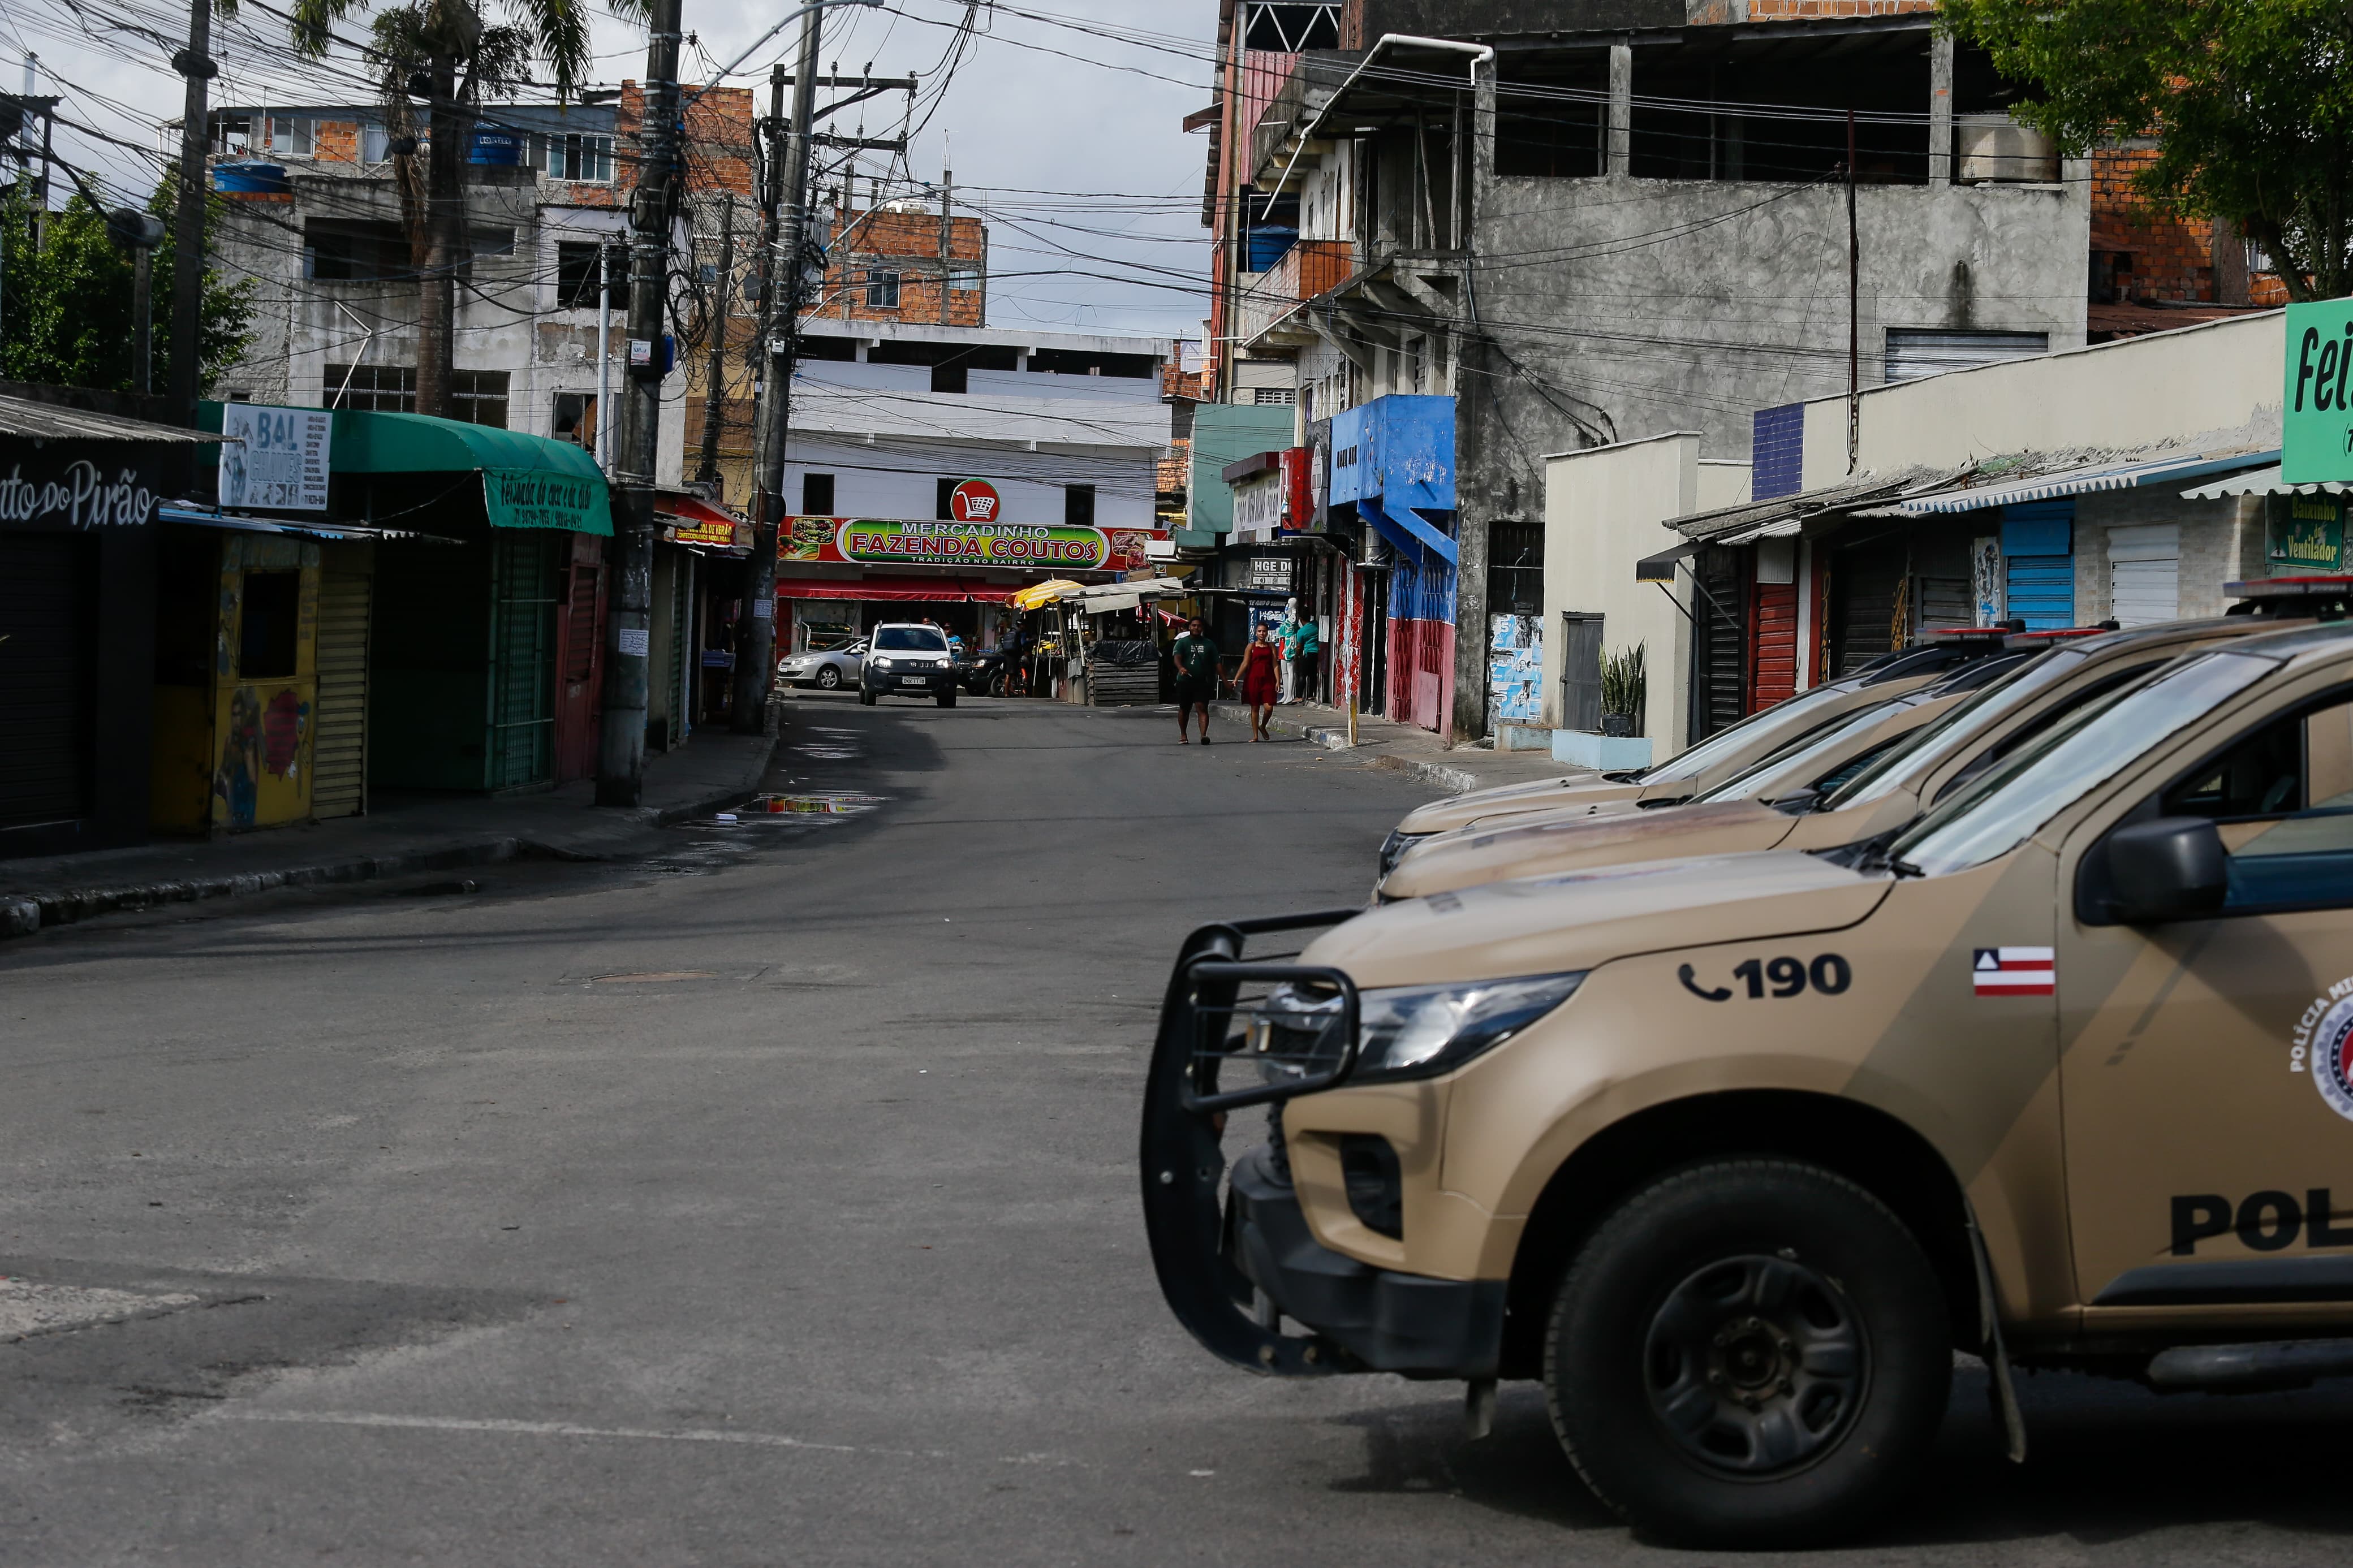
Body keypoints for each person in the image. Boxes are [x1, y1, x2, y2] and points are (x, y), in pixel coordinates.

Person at [1170, 616, 1219, 744]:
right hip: (1185, 681)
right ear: (1190, 627)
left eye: (1199, 626)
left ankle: (1204, 735)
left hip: (1202, 681)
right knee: (1184, 709)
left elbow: (1217, 664)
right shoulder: (1182, 642)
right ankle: (1183, 735)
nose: (1196, 628)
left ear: (1203, 628)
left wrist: (1225, 681)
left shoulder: (1209, 644)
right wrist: (1181, 668)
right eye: (1194, 625)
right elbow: (1177, 658)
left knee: (1202, 708)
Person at [1236, 623, 1281, 739]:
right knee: (1255, 707)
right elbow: (1245, 663)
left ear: (1267, 633)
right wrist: (1236, 678)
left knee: (1269, 707)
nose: (1262, 633)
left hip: (1268, 679)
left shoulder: (1271, 647)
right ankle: (1255, 736)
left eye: (1264, 631)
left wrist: (1278, 681)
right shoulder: (1251, 647)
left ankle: (1263, 726)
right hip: (1254, 679)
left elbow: (1275, 664)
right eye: (1260, 631)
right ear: (1256, 633)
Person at [1280, 603, 1320, 705]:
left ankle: (1299, 696)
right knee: (1312, 674)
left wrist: (1296, 655)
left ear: (1301, 618)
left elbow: (1299, 646)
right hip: (1316, 653)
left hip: (1306, 653)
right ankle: (1311, 694)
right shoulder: (1316, 625)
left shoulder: (1301, 632)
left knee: (1302, 675)